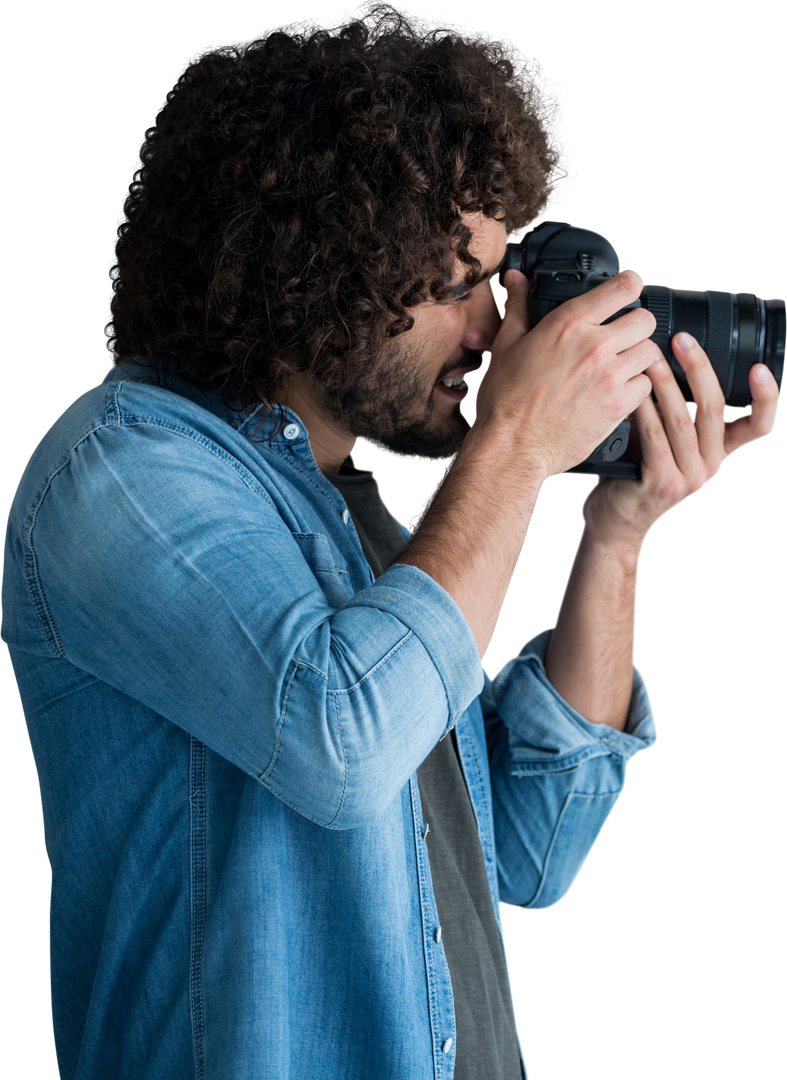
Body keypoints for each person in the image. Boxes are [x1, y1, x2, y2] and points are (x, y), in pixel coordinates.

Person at [1, 4, 780, 1079]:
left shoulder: (371, 524)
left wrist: (614, 526)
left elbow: (529, 847)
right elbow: (345, 738)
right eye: (460, 284)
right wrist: (509, 446)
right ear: (314, 257)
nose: (490, 332)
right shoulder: (119, 471)